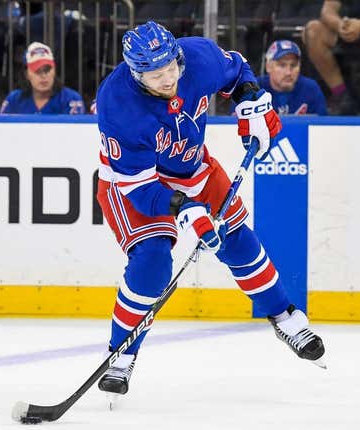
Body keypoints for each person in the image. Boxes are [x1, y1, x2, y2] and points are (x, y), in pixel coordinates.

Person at [95, 21, 326, 396]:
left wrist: (250, 100)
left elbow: (237, 72)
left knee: (238, 241)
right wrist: (185, 209)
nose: (168, 79)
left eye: (171, 68)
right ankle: (122, 354)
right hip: (136, 185)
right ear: (137, 73)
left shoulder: (197, 57)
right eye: (156, 75)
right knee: (152, 263)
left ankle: (286, 317)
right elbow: (138, 188)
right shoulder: (117, 102)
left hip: (194, 167)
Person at [0, 42, 85, 114]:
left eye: (47, 70)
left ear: (54, 70)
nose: (44, 76)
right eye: (37, 71)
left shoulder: (70, 99)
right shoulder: (14, 100)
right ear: (26, 74)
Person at [257, 40, 328, 115]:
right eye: (282, 65)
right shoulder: (254, 90)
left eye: (293, 65)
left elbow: (322, 124)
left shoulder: (311, 89)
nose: (288, 73)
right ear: (268, 67)